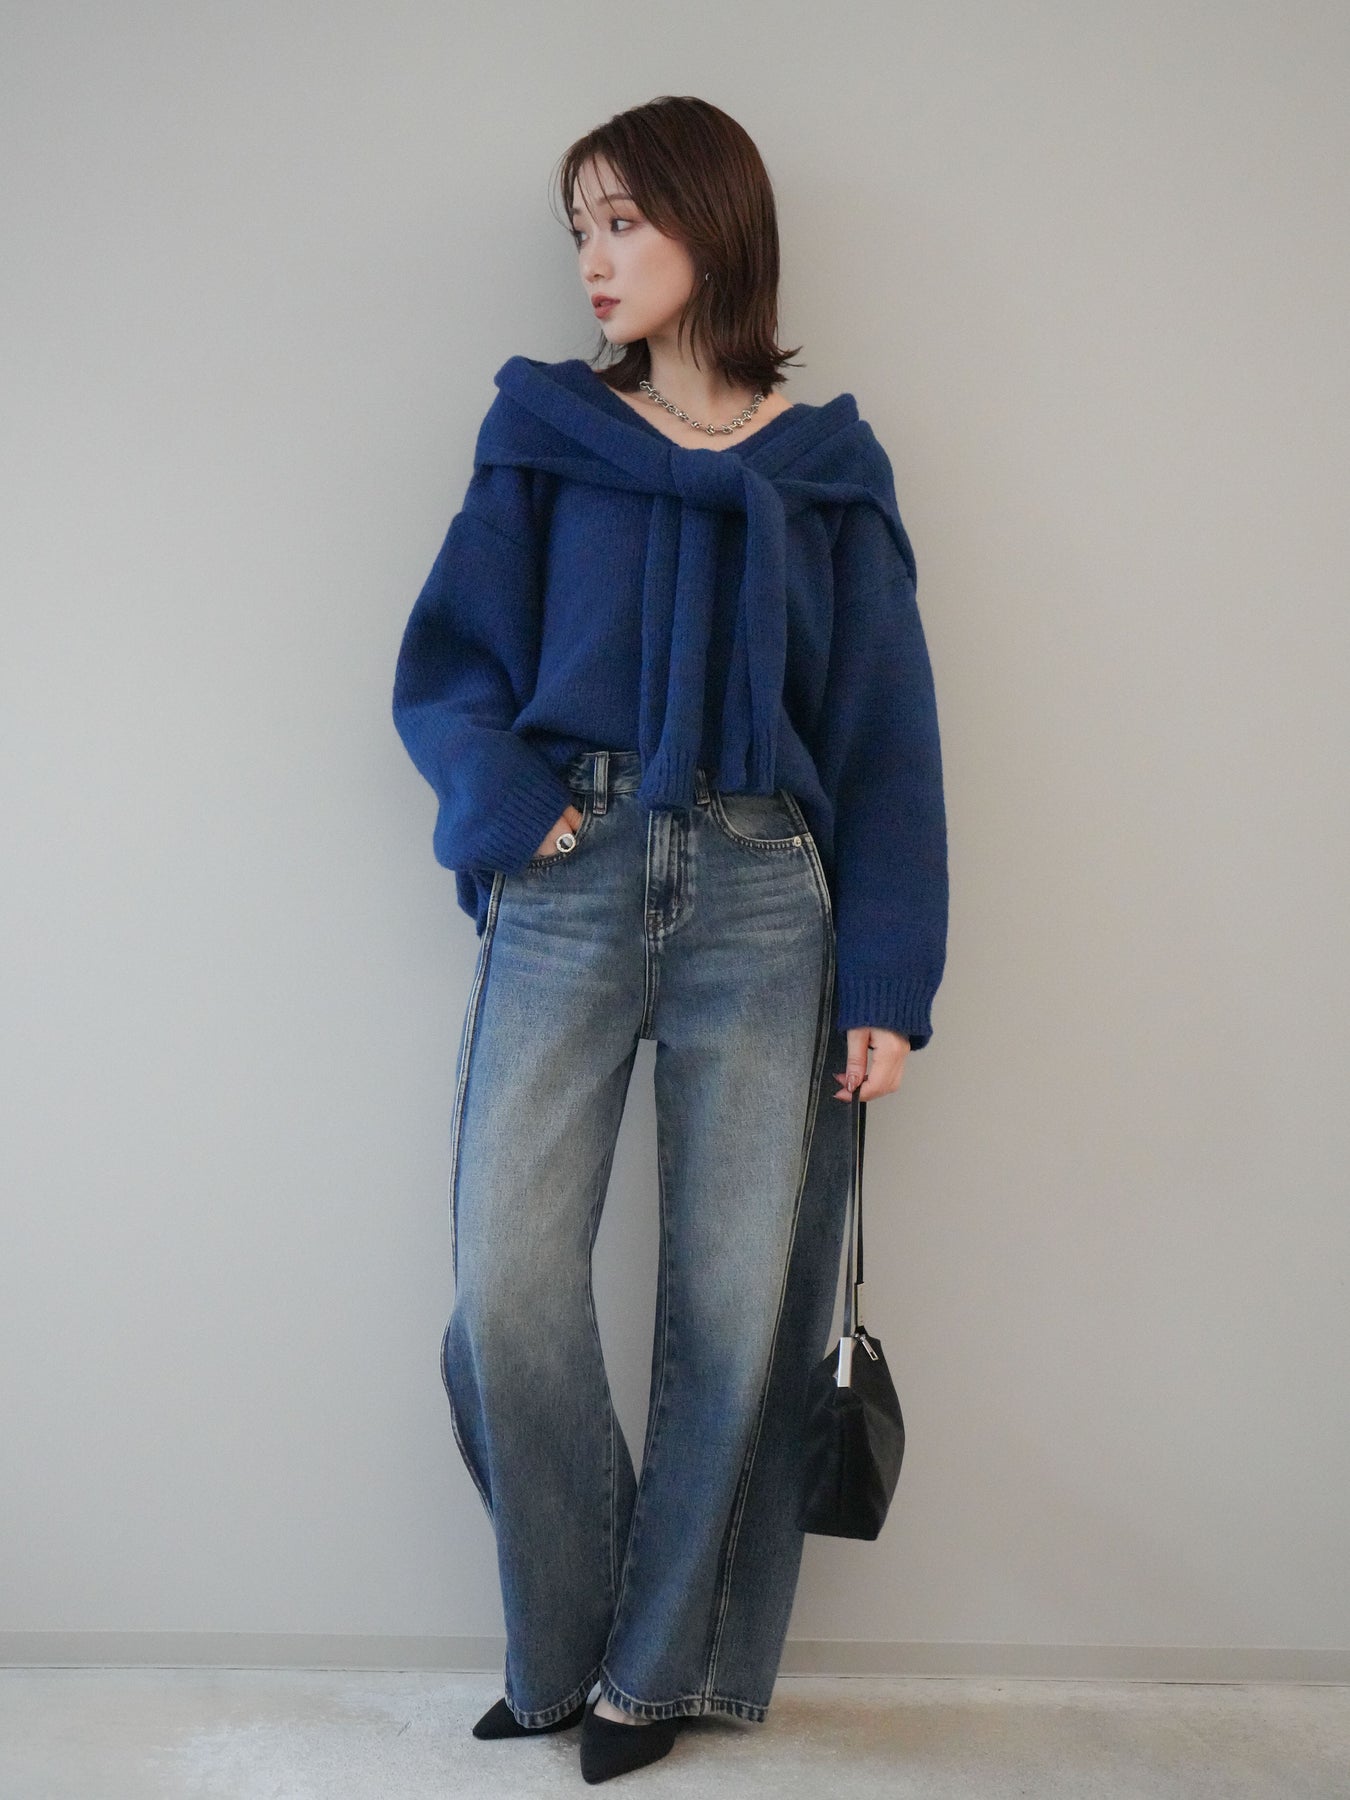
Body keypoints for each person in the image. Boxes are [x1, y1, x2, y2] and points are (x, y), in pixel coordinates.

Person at [391, 94, 948, 1785]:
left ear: (715, 221)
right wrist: (519, 813)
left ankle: (659, 1671)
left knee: (736, 1311)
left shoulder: (828, 470)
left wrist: (888, 978)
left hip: (769, 896)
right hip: (567, 878)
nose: (592, 257)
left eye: (621, 219)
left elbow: (883, 742)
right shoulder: (543, 436)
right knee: (505, 1290)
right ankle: (566, 1639)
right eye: (579, 227)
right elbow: (445, 671)